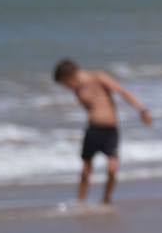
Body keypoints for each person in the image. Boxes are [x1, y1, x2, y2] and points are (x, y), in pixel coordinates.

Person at [52, 58, 152, 205]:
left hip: (110, 130)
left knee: (112, 169)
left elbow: (122, 92)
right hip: (93, 130)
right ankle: (81, 202)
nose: (66, 87)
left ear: (68, 76)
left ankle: (106, 200)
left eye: (64, 83)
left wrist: (142, 110)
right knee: (86, 170)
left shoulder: (98, 77)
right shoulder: (77, 90)